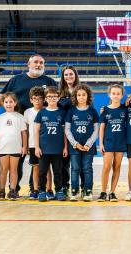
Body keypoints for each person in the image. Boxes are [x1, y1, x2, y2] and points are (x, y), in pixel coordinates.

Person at [0, 54, 57, 195]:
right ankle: (13, 188)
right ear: (28, 64)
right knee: (18, 161)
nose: (38, 65)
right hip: (19, 127)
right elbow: (2, 96)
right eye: (35, 62)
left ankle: (36, 188)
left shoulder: (49, 81)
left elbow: (58, 99)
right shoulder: (16, 80)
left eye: (41, 62)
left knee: (40, 163)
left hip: (44, 129)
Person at [65, 84, 99, 202]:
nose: (81, 97)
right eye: (79, 95)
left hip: (88, 147)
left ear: (88, 96)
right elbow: (67, 129)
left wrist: (89, 143)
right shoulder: (71, 111)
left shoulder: (93, 111)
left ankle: (87, 190)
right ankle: (74, 190)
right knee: (75, 168)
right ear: (75, 96)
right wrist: (74, 143)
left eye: (84, 95)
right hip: (75, 146)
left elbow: (96, 130)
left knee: (87, 168)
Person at [34, 87, 68, 202]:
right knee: (42, 172)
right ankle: (42, 191)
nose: (52, 98)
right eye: (49, 96)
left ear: (58, 98)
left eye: (54, 96)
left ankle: (59, 191)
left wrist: (65, 147)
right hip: (44, 149)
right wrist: (37, 147)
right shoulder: (41, 113)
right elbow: (36, 131)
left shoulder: (62, 113)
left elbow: (65, 132)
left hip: (57, 149)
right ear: (45, 98)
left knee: (58, 171)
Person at [0, 92, 27, 200]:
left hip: (16, 147)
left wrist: (24, 146)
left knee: (14, 170)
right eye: (6, 102)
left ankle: (12, 190)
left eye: (11, 102)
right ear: (3, 104)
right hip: (2, 147)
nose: (8, 104)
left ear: (15, 103)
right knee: (3, 170)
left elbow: (24, 133)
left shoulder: (20, 117)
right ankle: (2, 191)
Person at [97, 84, 127, 202]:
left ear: (122, 95)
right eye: (113, 93)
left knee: (117, 167)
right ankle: (103, 192)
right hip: (108, 142)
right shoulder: (105, 110)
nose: (115, 95)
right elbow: (102, 128)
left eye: (118, 93)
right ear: (109, 94)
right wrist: (101, 143)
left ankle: (112, 192)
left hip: (120, 143)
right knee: (106, 167)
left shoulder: (125, 109)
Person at [58, 65, 84, 197]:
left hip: (79, 128)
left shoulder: (82, 90)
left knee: (81, 161)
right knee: (64, 161)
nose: (69, 77)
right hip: (63, 130)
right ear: (63, 77)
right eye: (66, 75)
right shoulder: (59, 92)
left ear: (75, 75)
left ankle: (84, 187)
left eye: (71, 74)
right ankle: (65, 186)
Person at [23, 86, 53, 200]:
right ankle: (35, 190)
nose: (37, 101)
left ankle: (49, 189)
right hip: (32, 144)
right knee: (36, 168)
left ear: (44, 99)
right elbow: (25, 130)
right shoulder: (27, 112)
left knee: (47, 169)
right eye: (34, 98)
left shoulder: (47, 110)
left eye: (40, 98)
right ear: (31, 99)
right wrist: (25, 146)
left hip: (47, 144)